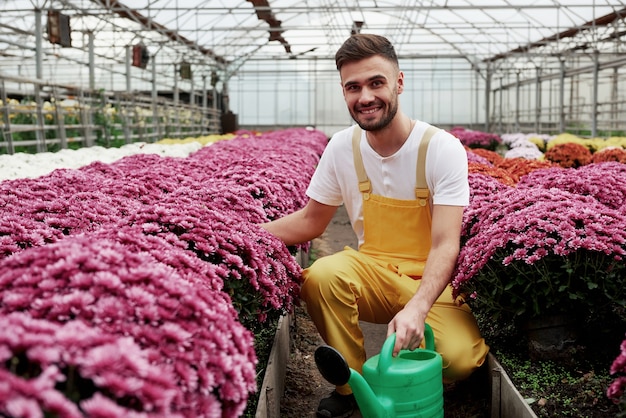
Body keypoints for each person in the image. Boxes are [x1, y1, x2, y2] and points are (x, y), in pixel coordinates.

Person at [262, 33, 489, 418]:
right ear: (343, 91)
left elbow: (446, 244)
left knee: (460, 361)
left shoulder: (439, 148)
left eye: (376, 82)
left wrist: (418, 308)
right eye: (353, 87)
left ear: (399, 82)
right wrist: (243, 234)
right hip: (374, 273)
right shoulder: (342, 147)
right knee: (320, 276)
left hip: (431, 283)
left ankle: (425, 362)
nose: (364, 97)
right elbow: (311, 221)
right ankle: (350, 386)